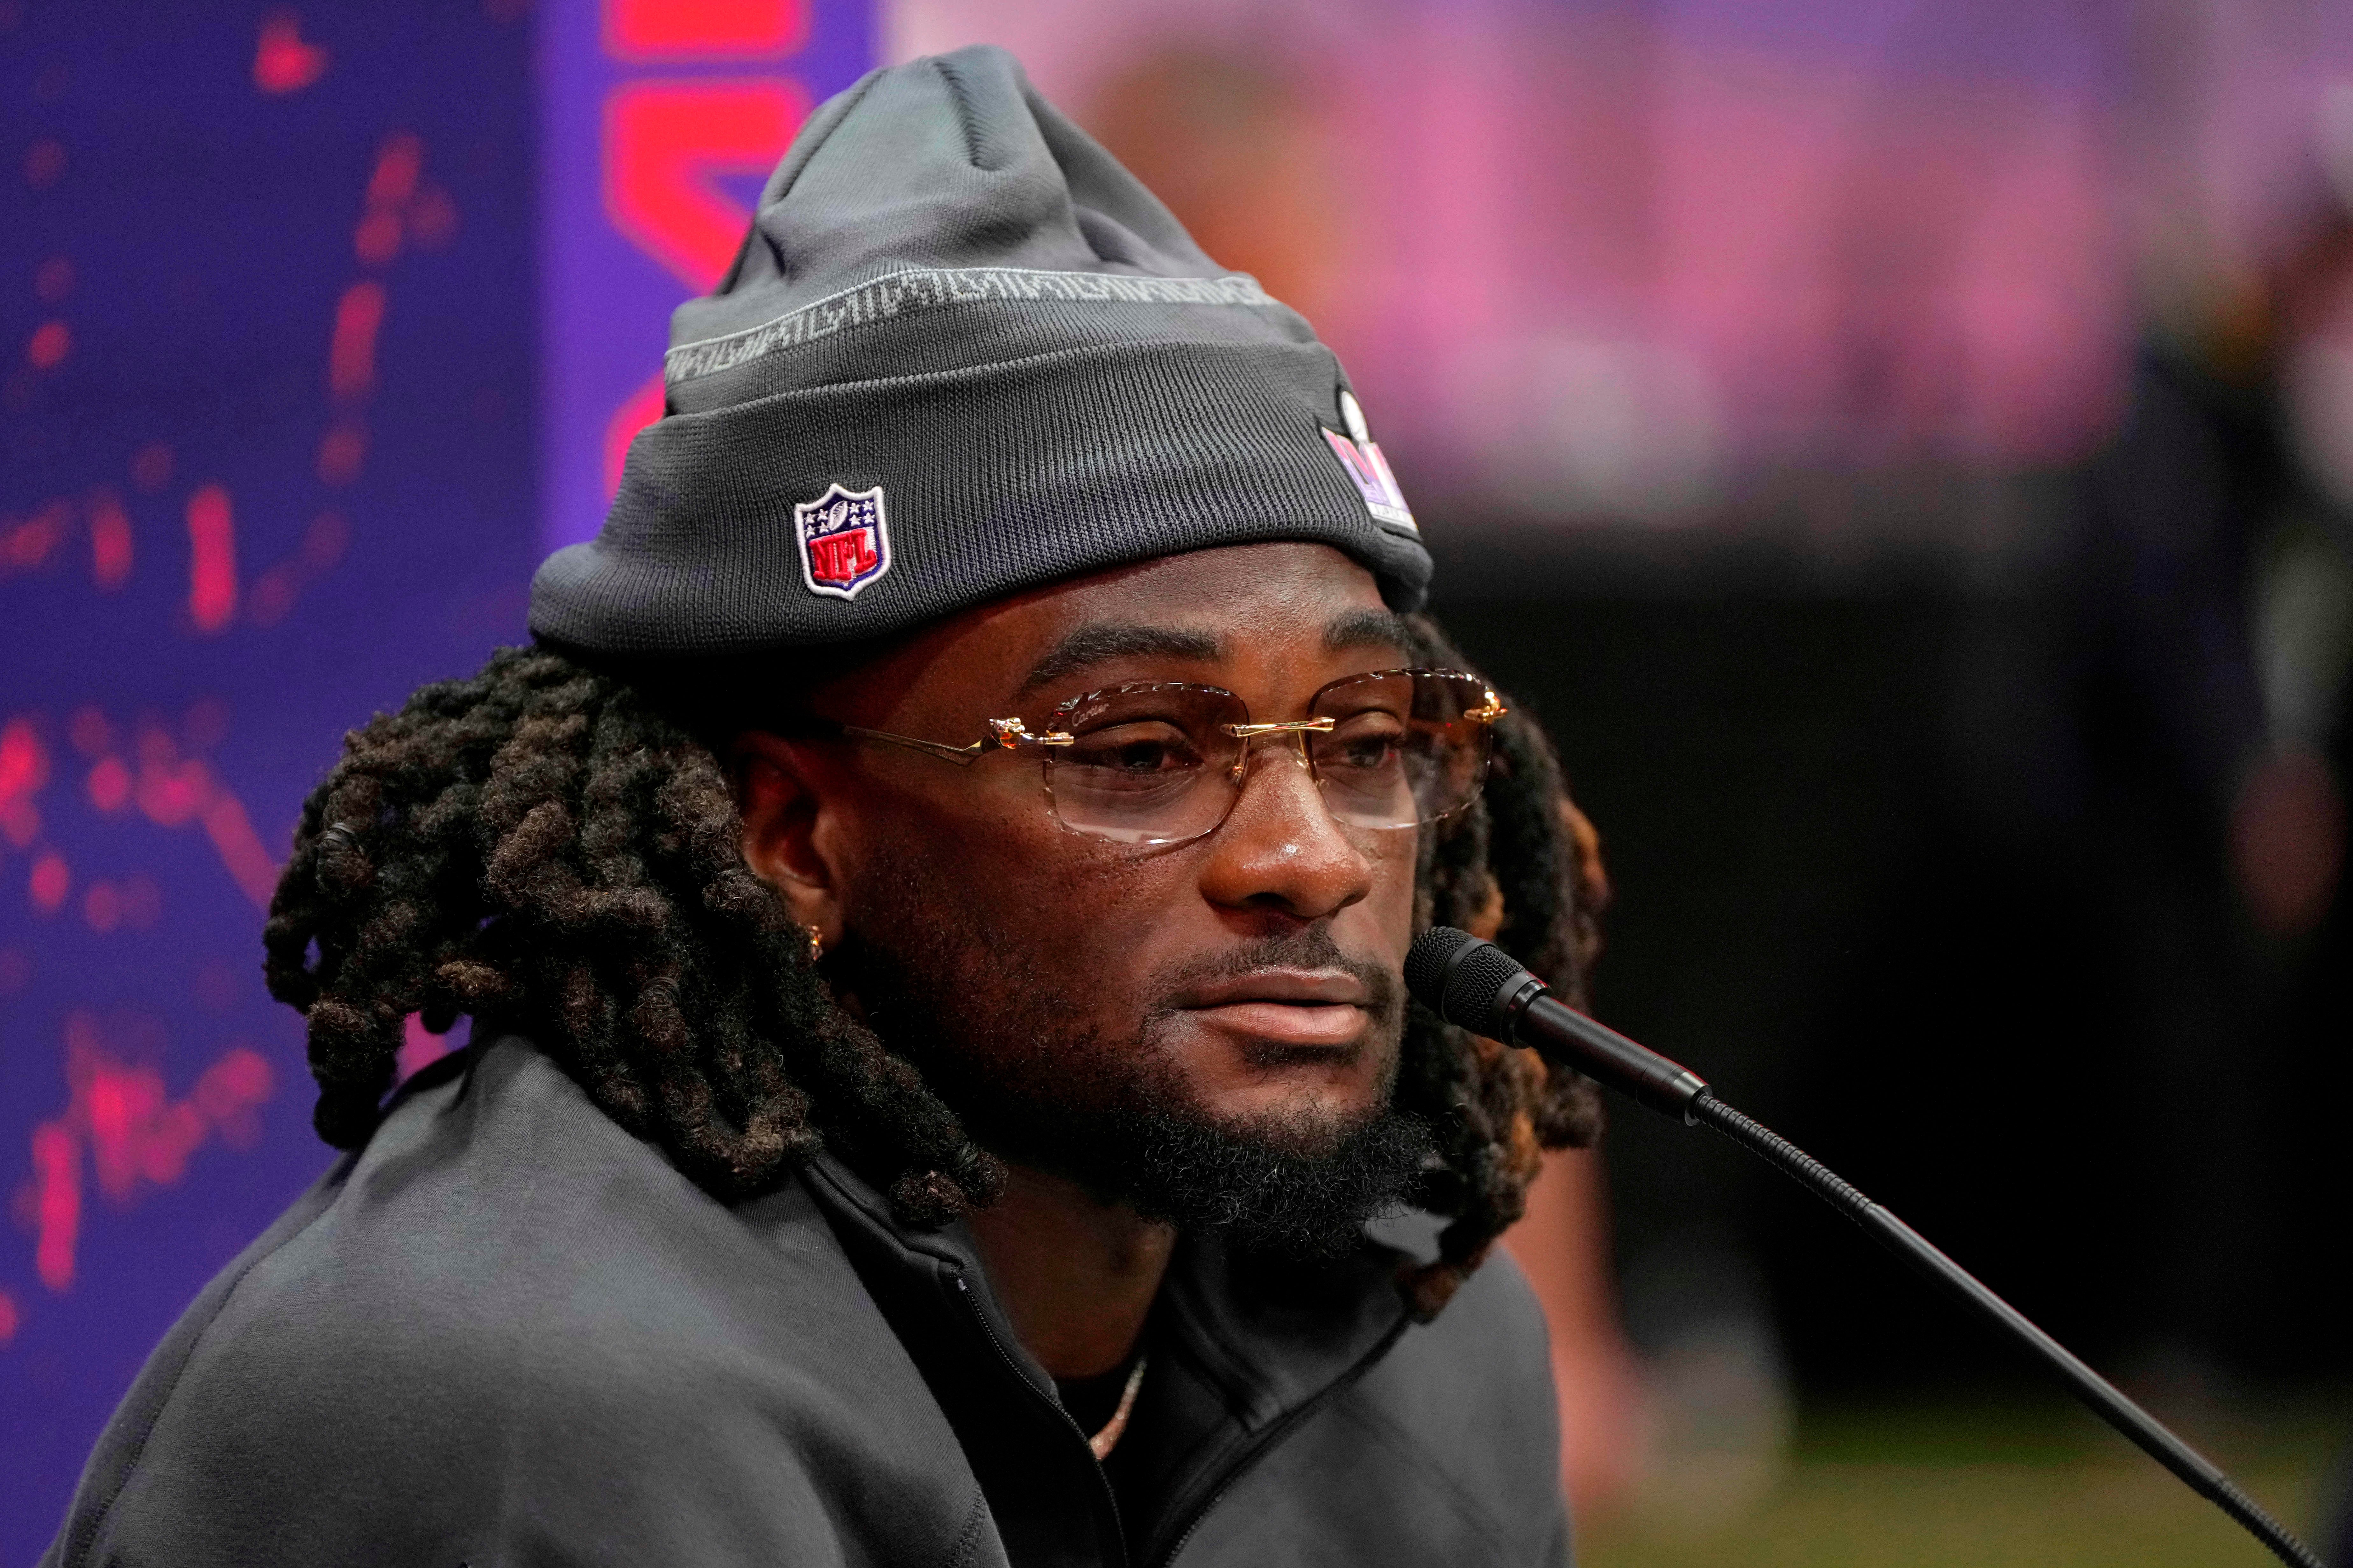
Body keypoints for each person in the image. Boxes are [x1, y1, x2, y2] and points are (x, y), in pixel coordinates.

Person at [45, 47, 1610, 1568]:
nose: (1308, 856)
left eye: (1361, 737)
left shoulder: (1431, 1351)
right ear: (792, 839)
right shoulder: (524, 1403)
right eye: (1135, 750)